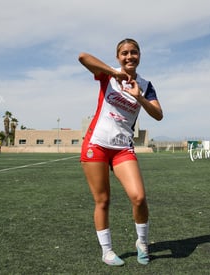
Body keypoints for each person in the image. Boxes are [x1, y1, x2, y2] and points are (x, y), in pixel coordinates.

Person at [78, 38, 163, 266]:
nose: (129, 57)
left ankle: (142, 244)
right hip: (96, 144)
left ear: (139, 56)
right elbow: (83, 57)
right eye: (124, 53)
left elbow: (158, 114)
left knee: (139, 197)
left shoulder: (145, 84)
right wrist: (113, 73)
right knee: (103, 200)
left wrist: (139, 98)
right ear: (118, 57)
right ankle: (107, 251)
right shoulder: (108, 75)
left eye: (133, 52)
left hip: (122, 147)